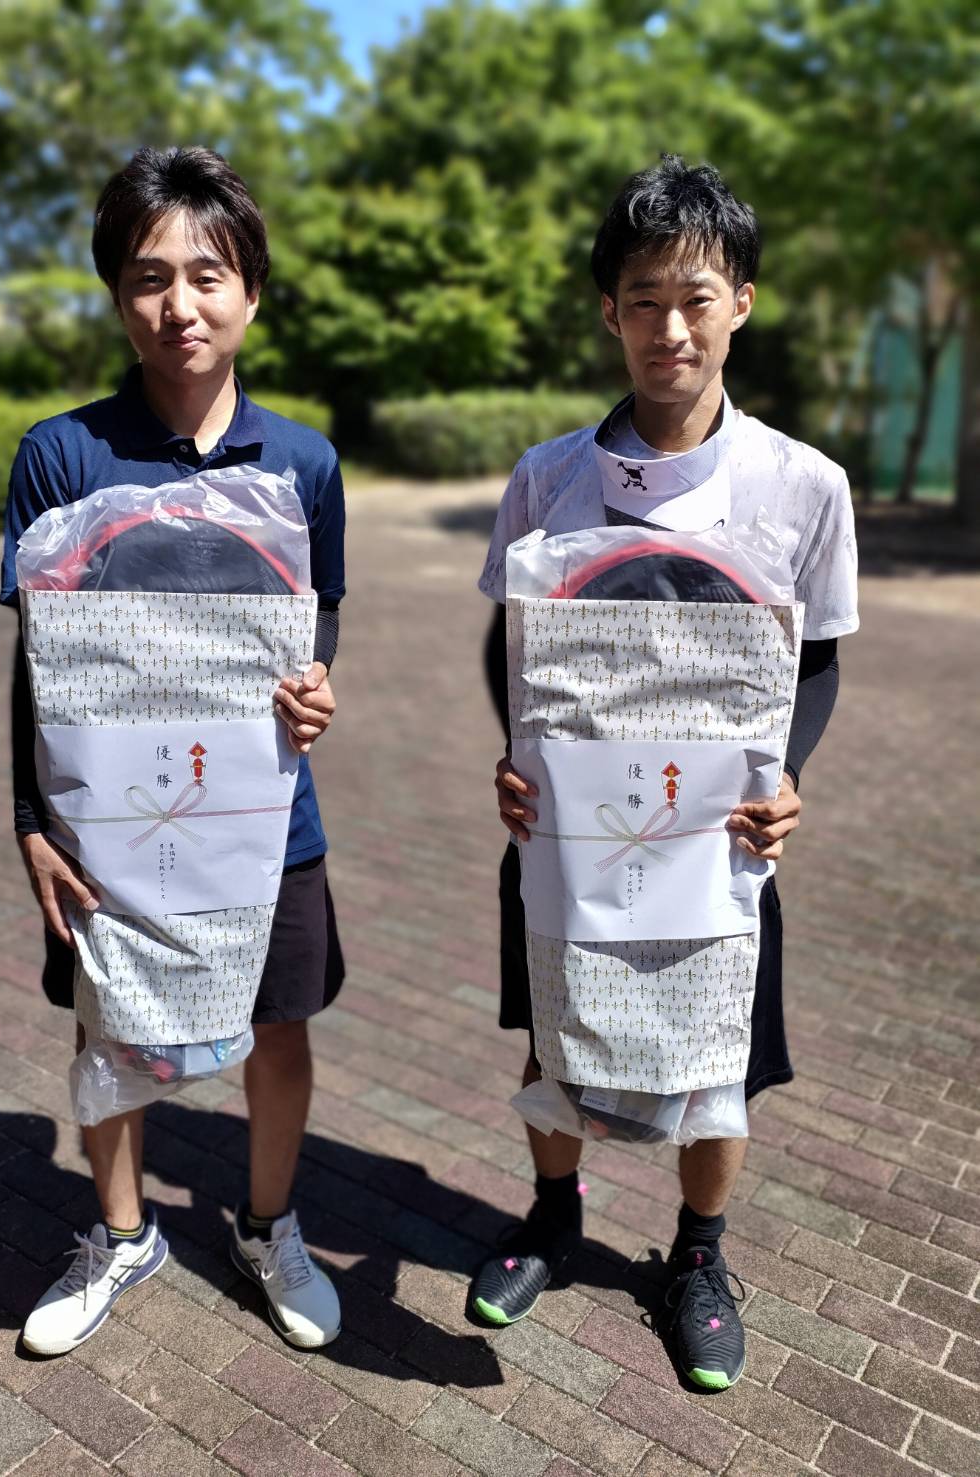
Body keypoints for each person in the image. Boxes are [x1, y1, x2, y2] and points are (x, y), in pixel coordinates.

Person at [470, 156, 858, 1391]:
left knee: (719, 1057)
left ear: (741, 301)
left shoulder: (802, 486)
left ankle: (697, 1254)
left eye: (695, 297)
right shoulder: (547, 481)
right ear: (609, 313)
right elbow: (509, 640)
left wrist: (785, 779)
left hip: (717, 842)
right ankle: (553, 1217)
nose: (670, 328)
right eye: (643, 300)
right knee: (552, 1033)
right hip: (568, 835)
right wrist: (515, 759)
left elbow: (817, 661)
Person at [2, 147, 345, 1356]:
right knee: (109, 1023)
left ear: (251, 290)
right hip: (107, 821)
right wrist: (31, 823)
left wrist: (316, 689)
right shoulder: (61, 454)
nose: (179, 305)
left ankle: (267, 1225)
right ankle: (121, 1232)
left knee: (280, 1026)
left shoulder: (302, 463)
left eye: (208, 274)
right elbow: (36, 664)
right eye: (149, 278)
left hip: (263, 817)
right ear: (116, 295)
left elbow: (317, 623)